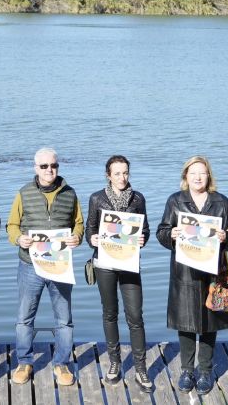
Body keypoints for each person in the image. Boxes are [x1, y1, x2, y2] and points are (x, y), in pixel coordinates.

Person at [157, 156, 228, 396]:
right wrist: (170, 234)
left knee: (209, 322)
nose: (198, 177)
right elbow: (161, 233)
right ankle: (186, 370)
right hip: (184, 272)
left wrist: (227, 237)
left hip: (213, 272)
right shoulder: (175, 201)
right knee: (186, 322)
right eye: (193, 173)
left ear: (209, 176)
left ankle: (205, 369)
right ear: (186, 177)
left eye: (202, 173)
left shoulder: (221, 202)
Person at [7, 147, 84, 388]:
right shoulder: (23, 193)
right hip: (30, 265)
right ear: (35, 168)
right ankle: (24, 362)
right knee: (24, 318)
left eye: (53, 166)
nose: (49, 170)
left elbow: (78, 223)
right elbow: (11, 225)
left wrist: (77, 237)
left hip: (60, 265)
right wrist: (19, 238)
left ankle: (61, 363)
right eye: (44, 166)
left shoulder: (70, 194)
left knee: (64, 319)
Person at [85, 155, 152, 392]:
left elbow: (145, 229)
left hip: (130, 263)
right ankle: (114, 363)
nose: (122, 178)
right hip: (104, 264)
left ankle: (141, 368)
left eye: (125, 173)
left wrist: (142, 239)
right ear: (108, 175)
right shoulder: (97, 198)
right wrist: (92, 239)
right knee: (110, 313)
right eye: (117, 173)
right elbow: (90, 229)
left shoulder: (138, 198)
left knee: (135, 315)